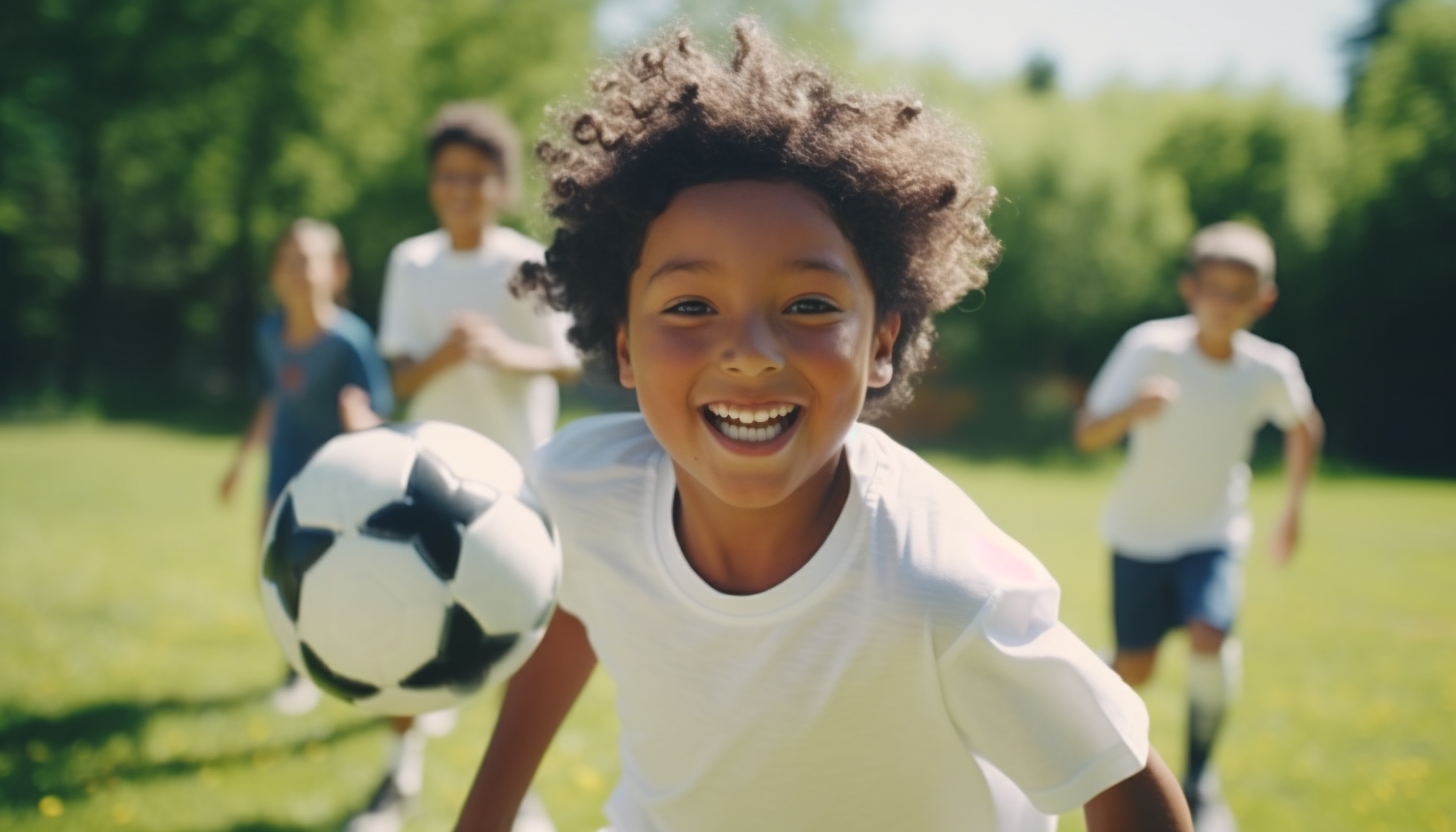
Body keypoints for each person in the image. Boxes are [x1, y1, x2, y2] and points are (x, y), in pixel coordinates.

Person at [454, 20, 1192, 832]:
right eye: (691, 306)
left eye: (808, 305)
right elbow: (576, 608)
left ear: (882, 342)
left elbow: (1128, 791)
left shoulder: (942, 586)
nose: (749, 353)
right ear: (623, 345)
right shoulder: (579, 490)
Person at [357, 102, 578, 832]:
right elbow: (398, 382)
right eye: (450, 176)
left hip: (515, 486)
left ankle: (516, 794)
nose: (462, 190)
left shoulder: (525, 261)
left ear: (501, 185)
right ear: (433, 183)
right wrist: (444, 356)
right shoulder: (411, 262)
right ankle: (398, 776)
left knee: (512, 637)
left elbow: (570, 360)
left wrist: (505, 354)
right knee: (398, 622)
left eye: (478, 178)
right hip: (421, 482)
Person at [1073, 221, 1323, 829]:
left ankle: (1202, 780)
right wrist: (1134, 410)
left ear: (1263, 300)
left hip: (1213, 535)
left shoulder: (1270, 368)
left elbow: (1303, 426)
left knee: (1211, 637)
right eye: (1213, 288)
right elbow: (1087, 433)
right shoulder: (1149, 347)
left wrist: (1292, 510)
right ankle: (1078, 693)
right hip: (1139, 534)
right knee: (1137, 666)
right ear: (1190, 289)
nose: (1224, 303)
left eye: (1239, 293)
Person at [219, 217, 394, 715]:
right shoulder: (268, 331)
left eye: (308, 259)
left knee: (332, 578)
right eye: (287, 259)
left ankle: (338, 663)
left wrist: (359, 419)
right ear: (274, 273)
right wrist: (238, 463)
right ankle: (298, 667)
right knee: (273, 575)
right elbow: (273, 399)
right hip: (282, 471)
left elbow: (374, 413)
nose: (296, 269)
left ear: (336, 271)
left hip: (335, 479)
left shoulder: (350, 341)